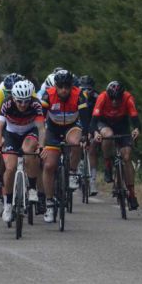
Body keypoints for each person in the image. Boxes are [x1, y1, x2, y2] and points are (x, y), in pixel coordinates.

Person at [40, 70, 90, 223]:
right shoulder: (48, 95)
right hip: (53, 130)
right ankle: (49, 203)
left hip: (71, 127)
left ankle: (73, 171)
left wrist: (85, 135)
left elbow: (85, 117)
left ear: (71, 86)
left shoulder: (79, 94)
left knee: (76, 142)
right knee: (49, 166)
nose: (63, 90)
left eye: (67, 86)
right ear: (55, 86)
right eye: (60, 87)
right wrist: (41, 139)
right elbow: (40, 118)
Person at [0, 80, 45, 222]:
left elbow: (41, 128)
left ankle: (32, 188)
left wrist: (41, 146)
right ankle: (8, 204)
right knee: (10, 168)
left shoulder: (36, 104)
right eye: (19, 101)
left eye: (26, 101)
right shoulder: (7, 103)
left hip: (30, 132)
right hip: (11, 134)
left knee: (28, 151)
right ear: (14, 98)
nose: (23, 104)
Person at [91, 81, 141, 209]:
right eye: (112, 98)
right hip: (105, 123)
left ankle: (132, 194)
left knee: (127, 157)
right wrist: (95, 133)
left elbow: (135, 118)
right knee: (108, 135)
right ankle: (108, 164)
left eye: (117, 99)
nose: (114, 102)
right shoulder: (102, 97)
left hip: (122, 124)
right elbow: (94, 121)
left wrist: (136, 129)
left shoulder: (128, 98)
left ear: (122, 96)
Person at [79, 75, 100, 195]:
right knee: (75, 143)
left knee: (92, 148)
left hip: (92, 123)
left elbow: (97, 117)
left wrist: (93, 132)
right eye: (83, 89)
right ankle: (78, 167)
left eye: (89, 89)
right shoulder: (76, 97)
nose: (86, 92)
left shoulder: (97, 98)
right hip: (78, 122)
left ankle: (92, 181)